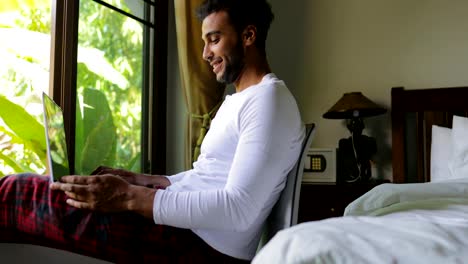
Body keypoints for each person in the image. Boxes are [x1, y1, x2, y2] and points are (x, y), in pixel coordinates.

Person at [0, 0, 304, 262]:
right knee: (31, 203)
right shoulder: (240, 100)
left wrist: (129, 196)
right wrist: (141, 181)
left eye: (214, 39)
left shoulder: (269, 101)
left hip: (201, 250)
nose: (205, 54)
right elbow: (206, 176)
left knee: (17, 192)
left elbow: (238, 209)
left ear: (248, 35)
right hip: (189, 235)